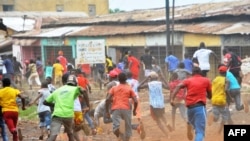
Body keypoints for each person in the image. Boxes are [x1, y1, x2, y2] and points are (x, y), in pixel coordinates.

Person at [170, 66, 212, 141]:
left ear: (192, 73)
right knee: (200, 132)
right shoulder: (206, 80)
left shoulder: (188, 80)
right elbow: (210, 96)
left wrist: (172, 99)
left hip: (190, 108)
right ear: (200, 73)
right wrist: (206, 94)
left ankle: (189, 125)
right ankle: (191, 127)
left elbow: (178, 86)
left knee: (193, 123)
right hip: (200, 107)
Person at [43, 74, 84, 141]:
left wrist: (55, 105)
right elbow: (84, 91)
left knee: (53, 136)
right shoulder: (75, 88)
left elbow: (45, 102)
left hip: (57, 114)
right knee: (70, 134)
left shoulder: (57, 90)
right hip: (68, 115)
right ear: (75, 83)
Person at [138, 71, 172, 137]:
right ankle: (167, 123)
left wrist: (146, 79)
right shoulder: (160, 83)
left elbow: (139, 86)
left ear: (150, 78)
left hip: (153, 104)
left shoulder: (149, 84)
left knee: (158, 121)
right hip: (161, 103)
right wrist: (163, 78)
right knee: (162, 116)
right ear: (157, 77)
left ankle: (167, 134)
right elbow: (168, 87)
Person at [106, 72, 138, 141]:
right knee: (128, 129)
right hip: (126, 109)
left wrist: (107, 111)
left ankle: (118, 129)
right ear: (126, 79)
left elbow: (107, 99)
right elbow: (135, 101)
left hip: (115, 109)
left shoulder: (114, 88)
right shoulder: (129, 88)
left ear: (118, 79)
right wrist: (134, 110)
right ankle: (123, 136)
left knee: (116, 128)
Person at [207, 65, 231, 134]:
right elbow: (226, 90)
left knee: (216, 118)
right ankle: (219, 131)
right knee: (225, 116)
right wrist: (230, 98)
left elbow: (211, 89)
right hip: (222, 100)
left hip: (214, 100)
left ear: (219, 73)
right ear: (226, 72)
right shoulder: (226, 80)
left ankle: (213, 116)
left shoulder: (215, 79)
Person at [126, 71, 146, 139]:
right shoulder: (136, 81)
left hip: (128, 99)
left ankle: (129, 125)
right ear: (132, 76)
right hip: (136, 97)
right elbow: (138, 88)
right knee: (138, 112)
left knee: (128, 113)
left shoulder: (125, 82)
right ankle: (140, 122)